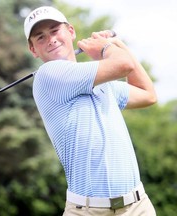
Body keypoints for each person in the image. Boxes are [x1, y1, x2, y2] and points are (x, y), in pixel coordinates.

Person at [24, 6, 157, 216]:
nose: (50, 39)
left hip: (137, 207)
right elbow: (123, 64)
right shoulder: (49, 75)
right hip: (87, 211)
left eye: (55, 30)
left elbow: (148, 94)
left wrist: (116, 44)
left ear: (71, 31)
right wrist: (106, 48)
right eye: (40, 37)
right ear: (33, 50)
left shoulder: (101, 83)